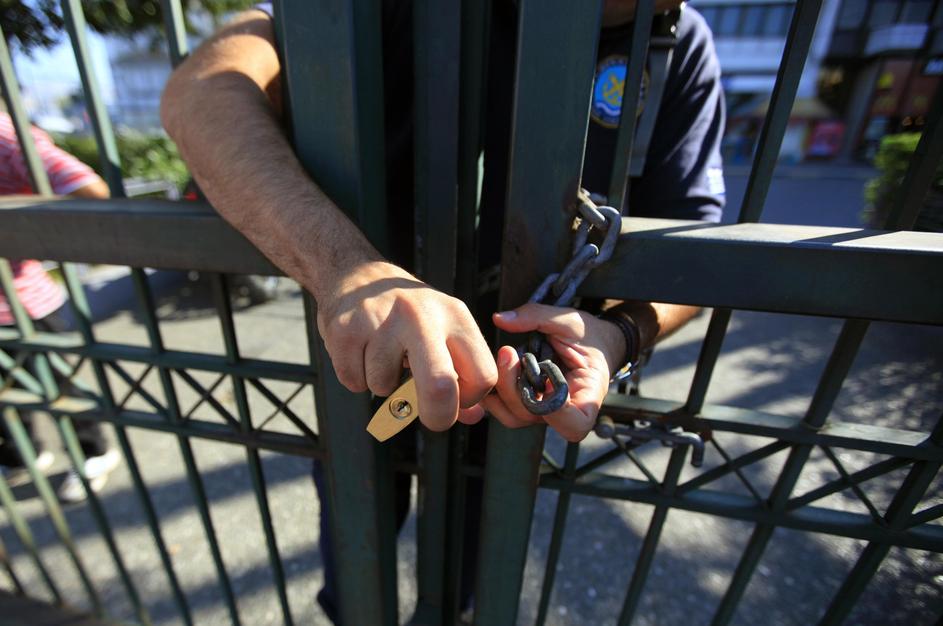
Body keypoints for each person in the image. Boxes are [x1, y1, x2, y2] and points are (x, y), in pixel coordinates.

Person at [162, 0, 724, 620]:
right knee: (355, 561)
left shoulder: (677, 39)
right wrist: (346, 269)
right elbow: (201, 91)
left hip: (517, 387)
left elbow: (695, 241)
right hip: (370, 356)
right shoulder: (369, 11)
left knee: (472, 566)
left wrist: (617, 333)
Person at [0, 112, 121, 503]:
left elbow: (90, 191)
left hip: (23, 303)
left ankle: (93, 454)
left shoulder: (5, 136)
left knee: (60, 388)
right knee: (9, 395)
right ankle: (20, 455)